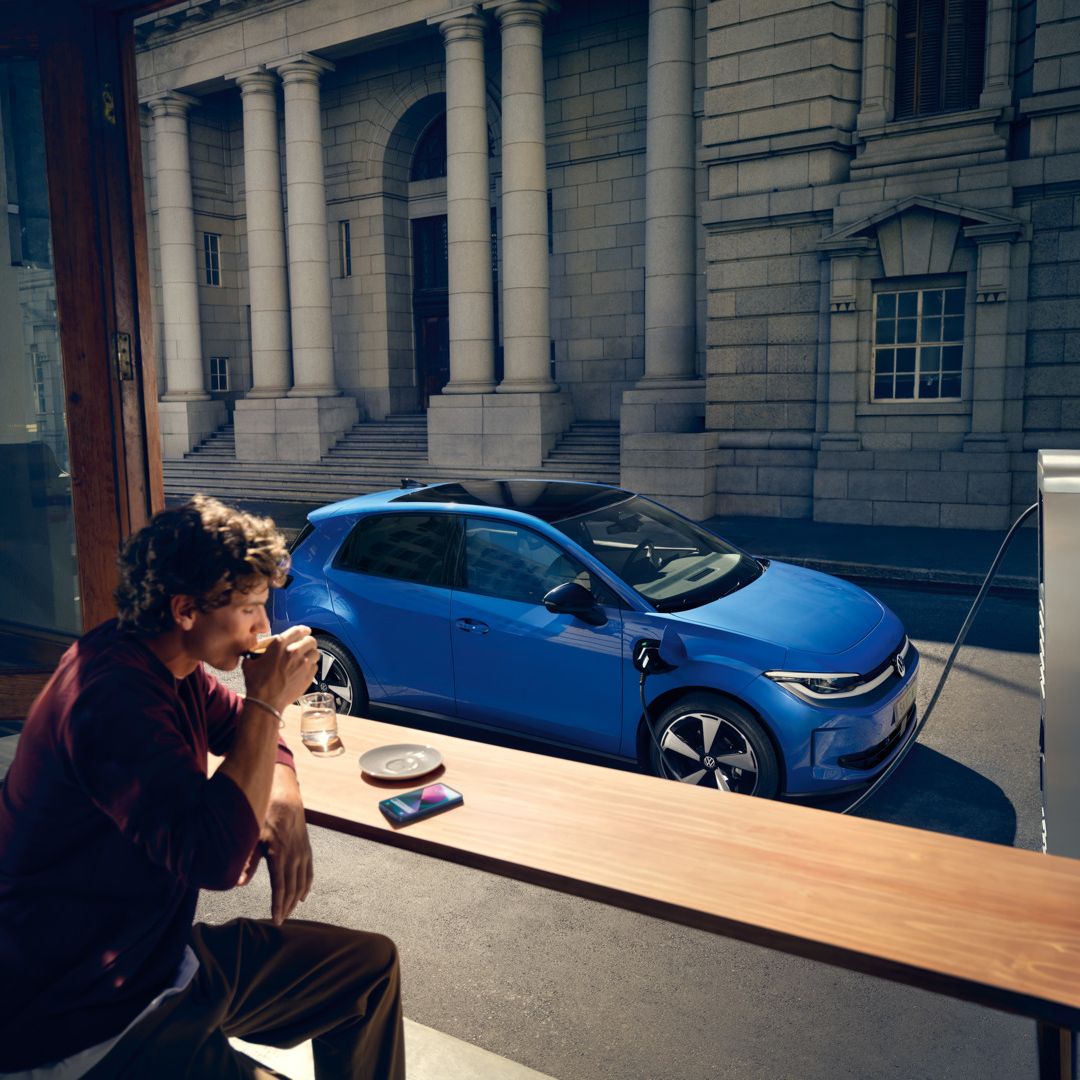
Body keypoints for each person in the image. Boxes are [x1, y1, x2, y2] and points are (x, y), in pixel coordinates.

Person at [0, 496, 405, 1079]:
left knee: (367, 969)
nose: (263, 629)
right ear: (186, 609)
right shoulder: (110, 698)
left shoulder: (171, 665)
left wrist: (284, 800)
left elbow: (244, 728)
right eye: (250, 610)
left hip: (158, 956)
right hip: (83, 1015)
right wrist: (270, 698)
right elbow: (216, 857)